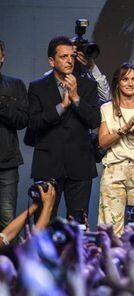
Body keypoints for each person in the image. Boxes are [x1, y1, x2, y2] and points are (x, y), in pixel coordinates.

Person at [27, 36, 100, 220]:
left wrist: (76, 98)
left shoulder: (88, 86)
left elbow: (94, 121)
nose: (69, 60)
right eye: (64, 56)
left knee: (78, 225)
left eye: (72, 56)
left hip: (80, 164)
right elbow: (33, 123)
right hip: (48, 164)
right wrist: (61, 107)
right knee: (44, 223)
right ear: (52, 61)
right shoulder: (38, 87)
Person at [98, 62, 134, 236]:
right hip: (114, 170)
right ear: (118, 82)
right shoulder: (107, 108)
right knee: (110, 227)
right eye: (125, 79)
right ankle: (109, 261)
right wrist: (126, 127)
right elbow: (102, 142)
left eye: (133, 79)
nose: (130, 83)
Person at [0, 40, 28, 231]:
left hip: (6, 164)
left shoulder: (15, 85)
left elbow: (22, 121)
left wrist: (2, 105)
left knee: (7, 221)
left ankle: (7, 261)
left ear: (2, 57)